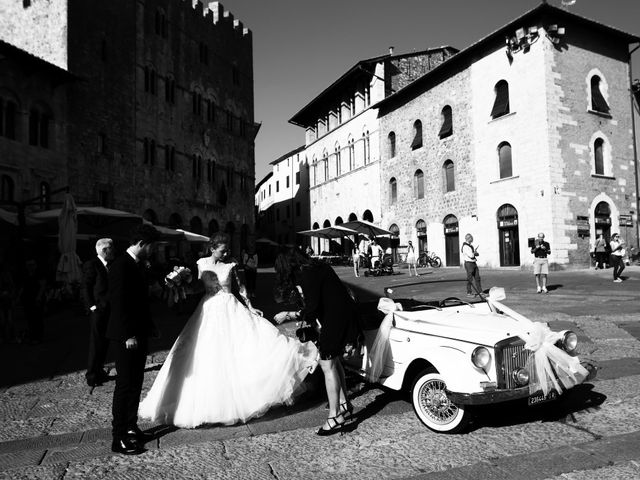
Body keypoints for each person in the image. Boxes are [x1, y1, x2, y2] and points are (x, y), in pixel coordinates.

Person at [139, 233, 317, 429]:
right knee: (207, 355)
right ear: (212, 248)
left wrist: (250, 307)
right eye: (222, 250)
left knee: (243, 348)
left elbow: (241, 289)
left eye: (227, 249)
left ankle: (243, 396)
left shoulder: (231, 264)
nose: (226, 253)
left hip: (231, 308)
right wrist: (182, 284)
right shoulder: (201, 263)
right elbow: (197, 288)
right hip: (207, 309)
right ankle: (210, 404)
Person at [273, 249, 360, 436]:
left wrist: (289, 314)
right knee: (335, 361)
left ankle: (334, 416)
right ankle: (344, 404)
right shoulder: (318, 267)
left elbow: (312, 307)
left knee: (327, 364)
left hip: (333, 319)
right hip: (342, 315)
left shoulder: (307, 274)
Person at [107, 224, 160, 455]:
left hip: (138, 333)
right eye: (152, 246)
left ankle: (131, 427)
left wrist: (150, 327)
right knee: (125, 385)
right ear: (141, 244)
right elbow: (119, 303)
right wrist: (127, 334)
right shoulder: (121, 265)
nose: (153, 251)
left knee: (136, 382)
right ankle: (118, 437)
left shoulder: (136, 265)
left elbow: (139, 301)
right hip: (125, 336)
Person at [81, 238, 114, 387]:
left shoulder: (109, 265)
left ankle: (99, 370)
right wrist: (92, 307)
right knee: (96, 342)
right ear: (104, 250)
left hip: (108, 309)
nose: (113, 251)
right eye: (111, 249)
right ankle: (92, 375)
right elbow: (85, 286)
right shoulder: (92, 264)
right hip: (98, 310)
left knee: (104, 342)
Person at [20, 259, 47, 344]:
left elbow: (42, 286)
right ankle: (33, 336)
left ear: (35, 265)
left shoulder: (39, 274)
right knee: (30, 318)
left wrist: (39, 297)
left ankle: (38, 337)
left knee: (37, 317)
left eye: (32, 265)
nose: (30, 267)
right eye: (28, 265)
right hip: (27, 299)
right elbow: (23, 287)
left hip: (36, 298)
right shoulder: (25, 275)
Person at [0, 260, 17, 344]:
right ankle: (4, 337)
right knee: (2, 321)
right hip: (2, 302)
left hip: (8, 301)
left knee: (10, 321)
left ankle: (11, 337)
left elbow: (12, 288)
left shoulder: (8, 276)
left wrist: (11, 296)